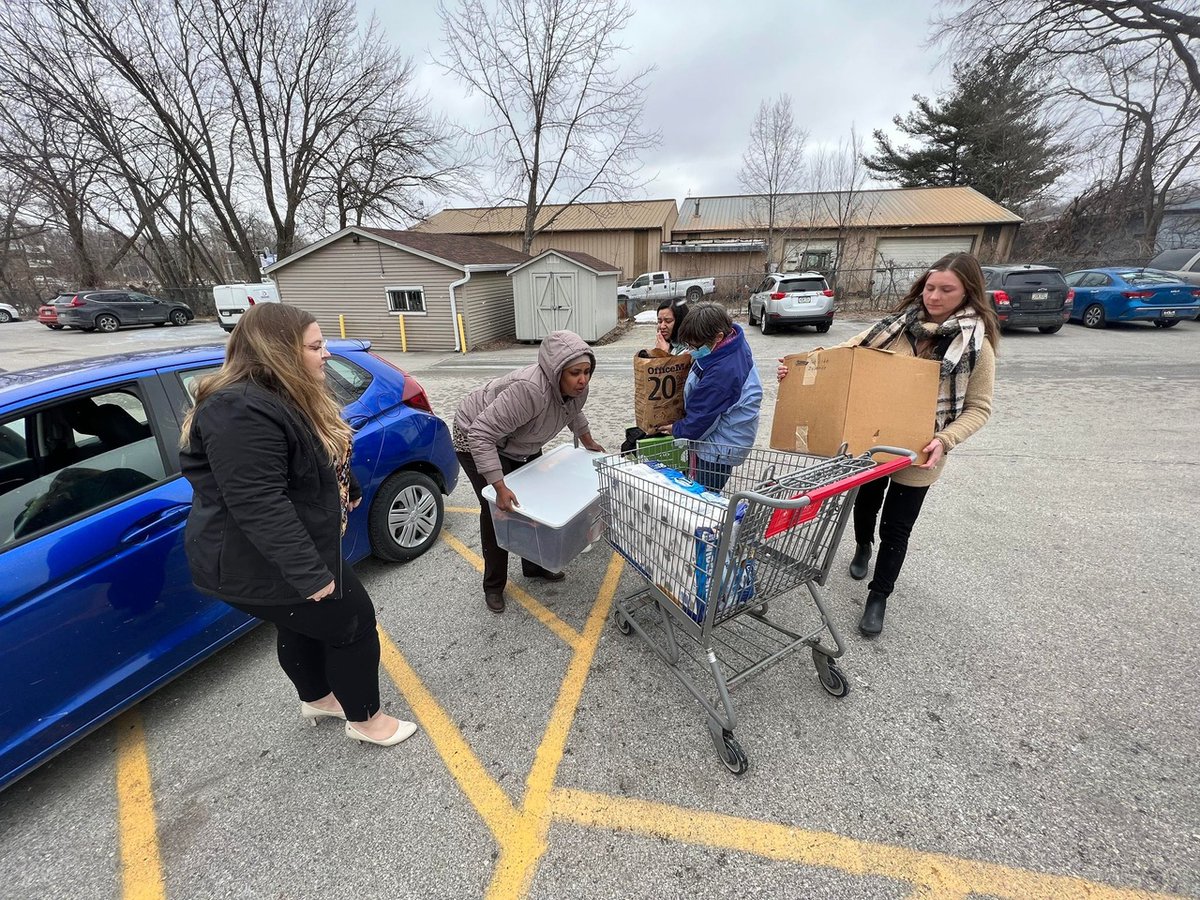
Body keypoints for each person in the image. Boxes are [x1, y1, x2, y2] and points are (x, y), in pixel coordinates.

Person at [180, 303, 417, 748]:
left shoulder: (283, 394)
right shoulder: (240, 410)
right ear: (278, 351)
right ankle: (366, 721)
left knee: (301, 625)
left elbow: (320, 459)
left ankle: (318, 697)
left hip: (286, 552)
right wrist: (310, 574)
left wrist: (353, 489)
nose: (326, 353)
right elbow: (257, 501)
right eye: (315, 345)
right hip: (263, 560)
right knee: (354, 623)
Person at [776, 251, 998, 637]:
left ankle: (879, 596)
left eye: (947, 290)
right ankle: (863, 546)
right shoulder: (895, 326)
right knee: (866, 502)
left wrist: (945, 440)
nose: (934, 297)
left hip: (921, 451)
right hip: (875, 441)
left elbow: (979, 408)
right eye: (930, 287)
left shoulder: (976, 345)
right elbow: (845, 352)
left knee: (897, 529)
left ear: (968, 293)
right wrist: (800, 363)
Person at [454, 330, 605, 614]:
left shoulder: (576, 390)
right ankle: (494, 585)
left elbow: (574, 412)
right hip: (476, 436)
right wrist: (499, 487)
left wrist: (589, 443)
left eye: (587, 371)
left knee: (535, 501)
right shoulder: (529, 391)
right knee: (498, 512)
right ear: (556, 371)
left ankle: (535, 566)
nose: (582, 379)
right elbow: (480, 434)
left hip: (521, 440)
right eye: (575, 373)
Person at [667, 302, 762, 492]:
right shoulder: (732, 339)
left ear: (718, 337)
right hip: (729, 437)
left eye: (695, 346)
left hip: (719, 450)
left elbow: (702, 419)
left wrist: (676, 429)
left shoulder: (723, 373)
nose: (691, 350)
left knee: (702, 500)